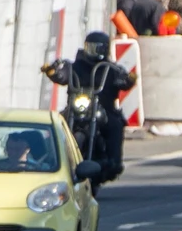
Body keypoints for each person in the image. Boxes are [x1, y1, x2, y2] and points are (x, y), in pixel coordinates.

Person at [42, 32, 133, 182]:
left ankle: (114, 161)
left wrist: (128, 79)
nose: (95, 51)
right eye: (92, 48)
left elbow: (123, 81)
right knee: (58, 125)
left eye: (99, 48)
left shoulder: (109, 68)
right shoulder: (75, 66)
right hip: (77, 108)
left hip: (104, 108)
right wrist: (53, 72)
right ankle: (53, 161)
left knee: (115, 124)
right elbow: (63, 75)